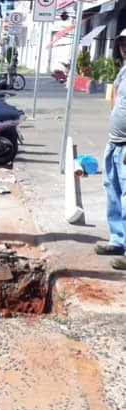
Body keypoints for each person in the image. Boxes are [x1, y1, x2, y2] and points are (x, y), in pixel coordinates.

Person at [94, 30, 126, 269]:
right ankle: (118, 240)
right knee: (112, 191)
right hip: (114, 142)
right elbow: (115, 90)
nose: (124, 47)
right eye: (122, 43)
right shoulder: (124, 71)